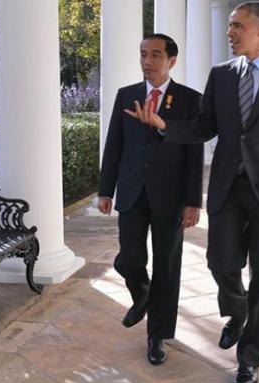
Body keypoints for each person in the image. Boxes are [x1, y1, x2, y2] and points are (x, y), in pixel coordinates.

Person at [125, 2, 259, 383]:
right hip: (227, 190)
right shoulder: (221, 75)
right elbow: (204, 126)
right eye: (229, 26)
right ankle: (237, 308)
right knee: (220, 262)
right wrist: (164, 124)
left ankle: (249, 361)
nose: (230, 33)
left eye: (237, 27)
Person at [98, 33, 204, 365]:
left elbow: (193, 153)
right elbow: (114, 144)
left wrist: (193, 201)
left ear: (171, 60)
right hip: (131, 191)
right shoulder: (126, 95)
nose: (147, 60)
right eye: (143, 54)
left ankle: (157, 335)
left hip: (170, 197)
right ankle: (142, 294)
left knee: (167, 266)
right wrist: (106, 189)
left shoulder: (189, 100)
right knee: (129, 259)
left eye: (156, 55)